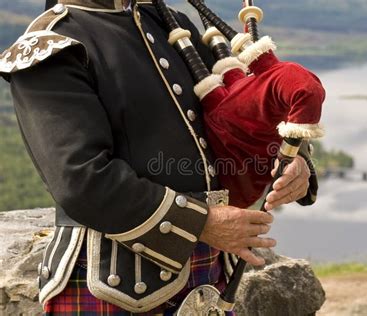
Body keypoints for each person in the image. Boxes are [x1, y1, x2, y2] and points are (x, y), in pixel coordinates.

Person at [0, 0, 318, 314]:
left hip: (208, 275)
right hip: (112, 287)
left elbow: (237, 116)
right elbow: (81, 180)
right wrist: (202, 223)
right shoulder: (52, 46)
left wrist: (291, 155)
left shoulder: (169, 22)